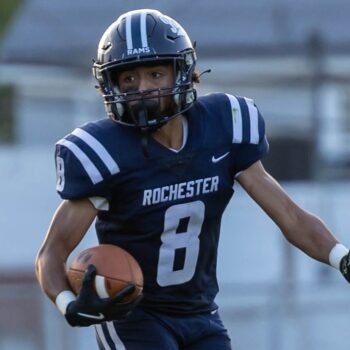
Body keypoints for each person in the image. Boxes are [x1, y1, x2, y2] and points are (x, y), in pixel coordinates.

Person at [35, 8, 350, 350]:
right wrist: (68, 304)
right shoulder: (105, 152)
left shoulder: (223, 126)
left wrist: (342, 257)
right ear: (111, 84)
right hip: (134, 317)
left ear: (182, 73)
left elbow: (289, 215)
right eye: (129, 79)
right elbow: (51, 254)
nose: (143, 89)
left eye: (155, 74)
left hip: (200, 314)